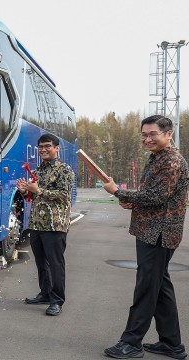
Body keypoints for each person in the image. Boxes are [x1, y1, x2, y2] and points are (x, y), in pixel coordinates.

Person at [102, 115, 188, 359]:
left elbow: (156, 197)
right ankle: (172, 344)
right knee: (160, 288)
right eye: (144, 134)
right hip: (152, 231)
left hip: (159, 234)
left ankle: (131, 343)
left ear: (168, 134)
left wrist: (119, 192)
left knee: (146, 289)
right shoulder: (157, 159)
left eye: (153, 134)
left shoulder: (171, 161)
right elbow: (151, 195)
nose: (147, 139)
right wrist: (132, 201)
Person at [16, 133, 75, 316]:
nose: (43, 149)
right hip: (36, 225)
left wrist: (38, 189)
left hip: (55, 225)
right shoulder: (38, 171)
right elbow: (32, 198)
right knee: (41, 262)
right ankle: (45, 293)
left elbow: (64, 196)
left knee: (56, 264)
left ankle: (57, 300)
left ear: (57, 148)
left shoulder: (64, 170)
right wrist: (25, 191)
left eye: (47, 146)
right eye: (40, 147)